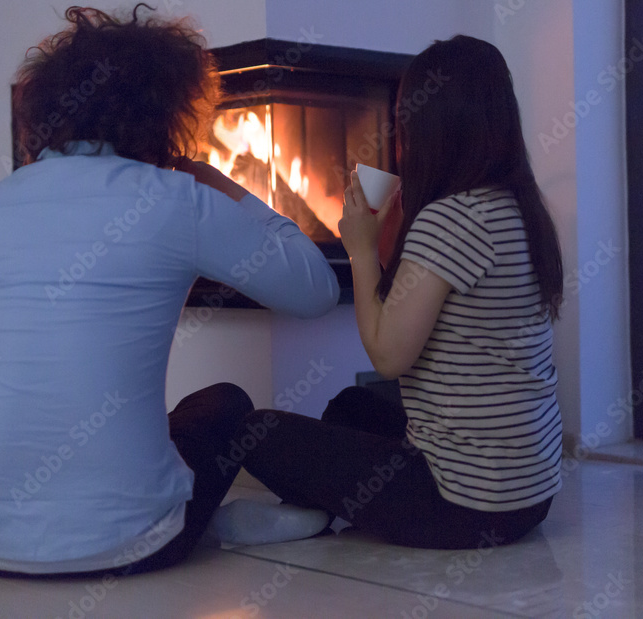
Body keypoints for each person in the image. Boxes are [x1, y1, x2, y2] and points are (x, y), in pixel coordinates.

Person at [0, 4, 339, 577]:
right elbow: (315, 291)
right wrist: (219, 183)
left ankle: (30, 519)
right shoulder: (174, 200)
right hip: (139, 548)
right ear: (164, 112)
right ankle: (205, 523)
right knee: (224, 405)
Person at [224, 35, 564, 549]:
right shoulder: (521, 210)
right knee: (351, 407)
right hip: (529, 496)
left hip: (461, 505)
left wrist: (360, 249)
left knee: (255, 432)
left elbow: (387, 356)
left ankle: (306, 516)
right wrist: (391, 255)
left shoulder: (450, 218)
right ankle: (313, 511)